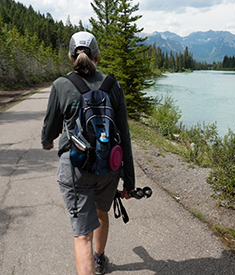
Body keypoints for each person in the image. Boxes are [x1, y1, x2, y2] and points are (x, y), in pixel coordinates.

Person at [41, 31, 135, 275]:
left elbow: (51, 126)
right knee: (101, 212)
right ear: (98, 56)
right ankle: (100, 258)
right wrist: (129, 181)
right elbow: (124, 136)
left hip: (75, 166)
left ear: (71, 56)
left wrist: (47, 141)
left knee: (82, 235)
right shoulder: (113, 85)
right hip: (108, 168)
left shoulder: (62, 85)